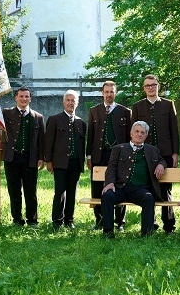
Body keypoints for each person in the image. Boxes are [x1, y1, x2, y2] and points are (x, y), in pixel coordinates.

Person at [100, 121, 166, 238]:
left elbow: (162, 160)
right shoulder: (118, 148)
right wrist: (109, 183)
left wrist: (161, 165)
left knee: (149, 199)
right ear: (131, 133)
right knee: (107, 196)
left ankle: (146, 234)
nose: (139, 134)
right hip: (120, 188)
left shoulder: (152, 150)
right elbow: (111, 167)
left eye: (142, 132)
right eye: (137, 131)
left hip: (140, 189)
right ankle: (108, 232)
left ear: (146, 135)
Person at [131, 74, 179, 233]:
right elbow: (134, 133)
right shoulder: (137, 107)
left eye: (153, 84)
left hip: (165, 154)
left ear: (158, 86)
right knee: (147, 188)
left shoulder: (168, 104)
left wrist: (175, 153)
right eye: (147, 85)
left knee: (166, 190)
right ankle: (151, 223)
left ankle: (169, 224)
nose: (150, 87)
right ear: (144, 88)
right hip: (145, 154)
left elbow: (174, 130)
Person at [87, 81, 132, 231]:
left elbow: (129, 137)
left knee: (119, 185)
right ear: (102, 93)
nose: (108, 94)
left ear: (115, 93)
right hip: (99, 155)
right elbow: (91, 136)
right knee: (97, 187)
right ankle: (100, 220)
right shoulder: (94, 111)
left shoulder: (125, 112)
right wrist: (89, 156)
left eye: (111, 92)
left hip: (120, 157)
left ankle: (120, 222)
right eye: (106, 92)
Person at [2, 87, 45, 226]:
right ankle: (17, 219)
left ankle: (32, 220)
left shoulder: (38, 117)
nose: (24, 99)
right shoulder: (7, 113)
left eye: (26, 96)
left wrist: (41, 157)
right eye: (21, 96)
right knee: (14, 191)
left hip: (30, 159)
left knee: (30, 191)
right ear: (16, 97)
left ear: (30, 99)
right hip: (12, 158)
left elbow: (41, 139)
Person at [44, 90, 87, 229]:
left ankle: (69, 221)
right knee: (60, 192)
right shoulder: (54, 119)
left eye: (73, 100)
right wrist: (49, 161)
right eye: (68, 100)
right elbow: (48, 142)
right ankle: (57, 221)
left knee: (72, 193)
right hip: (60, 163)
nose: (70, 103)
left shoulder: (81, 123)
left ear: (77, 103)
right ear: (63, 102)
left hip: (76, 163)